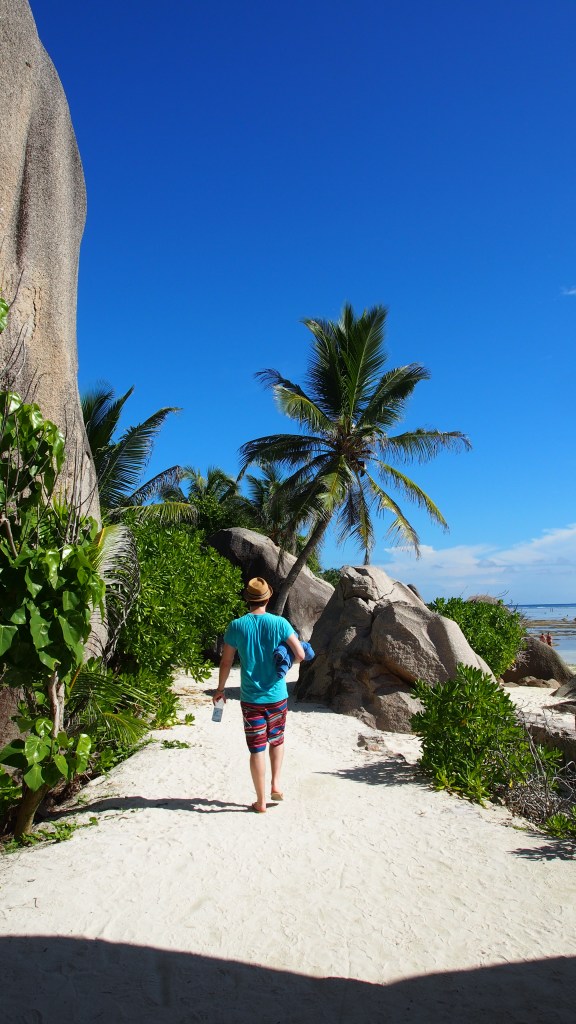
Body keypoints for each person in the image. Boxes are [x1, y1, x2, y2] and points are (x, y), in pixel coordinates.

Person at [213, 577, 305, 813]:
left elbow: (226, 661)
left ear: (248, 599)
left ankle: (261, 801)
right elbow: (301, 655)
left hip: (251, 699)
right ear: (268, 598)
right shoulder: (280, 624)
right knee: (277, 739)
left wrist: (221, 689)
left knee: (256, 749)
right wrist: (284, 663)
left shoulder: (237, 626)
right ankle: (276, 783)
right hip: (277, 695)